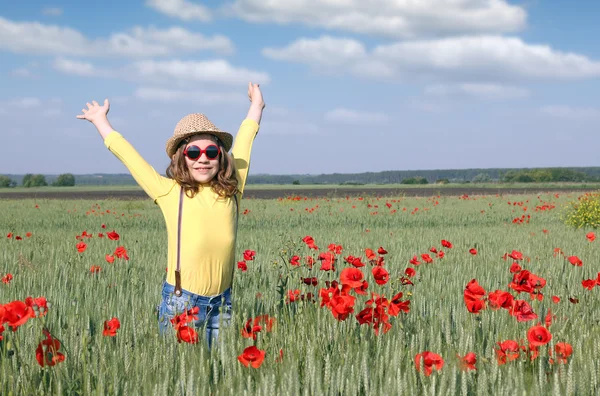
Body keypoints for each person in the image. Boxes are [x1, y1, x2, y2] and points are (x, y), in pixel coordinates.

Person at [77, 82, 265, 348]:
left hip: (222, 303)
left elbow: (245, 142)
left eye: (211, 152)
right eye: (193, 152)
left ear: (221, 157)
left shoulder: (233, 189)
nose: (203, 159)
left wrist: (256, 105)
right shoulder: (169, 192)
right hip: (181, 302)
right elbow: (131, 159)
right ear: (181, 158)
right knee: (179, 374)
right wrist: (100, 121)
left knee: (218, 376)